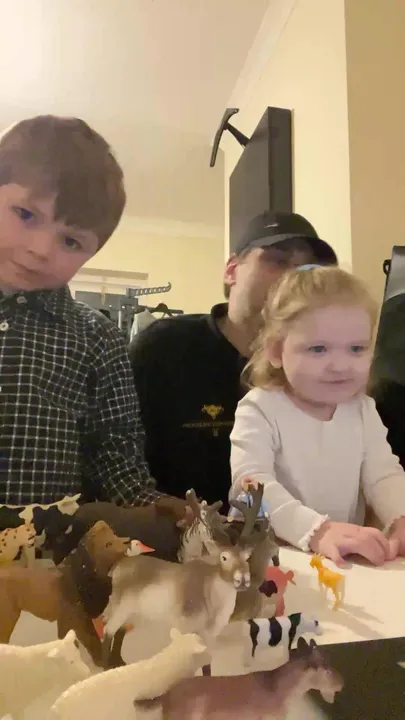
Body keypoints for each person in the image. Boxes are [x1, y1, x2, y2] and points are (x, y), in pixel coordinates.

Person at [0, 114, 165, 507]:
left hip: (45, 541)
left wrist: (156, 510)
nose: (41, 249)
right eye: (26, 214)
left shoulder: (98, 337)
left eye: (71, 241)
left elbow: (115, 455)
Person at [130, 212, 337, 507]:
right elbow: (119, 464)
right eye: (278, 261)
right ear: (231, 271)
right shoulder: (162, 348)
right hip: (177, 532)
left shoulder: (323, 366)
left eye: (307, 269)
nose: (294, 279)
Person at [229, 265, 405, 566]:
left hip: (338, 560)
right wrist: (316, 530)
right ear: (275, 351)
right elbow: (250, 487)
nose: (340, 365)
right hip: (263, 561)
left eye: (356, 348)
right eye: (318, 349)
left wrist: (400, 516)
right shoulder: (260, 408)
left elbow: (383, 474)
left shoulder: (362, 409)